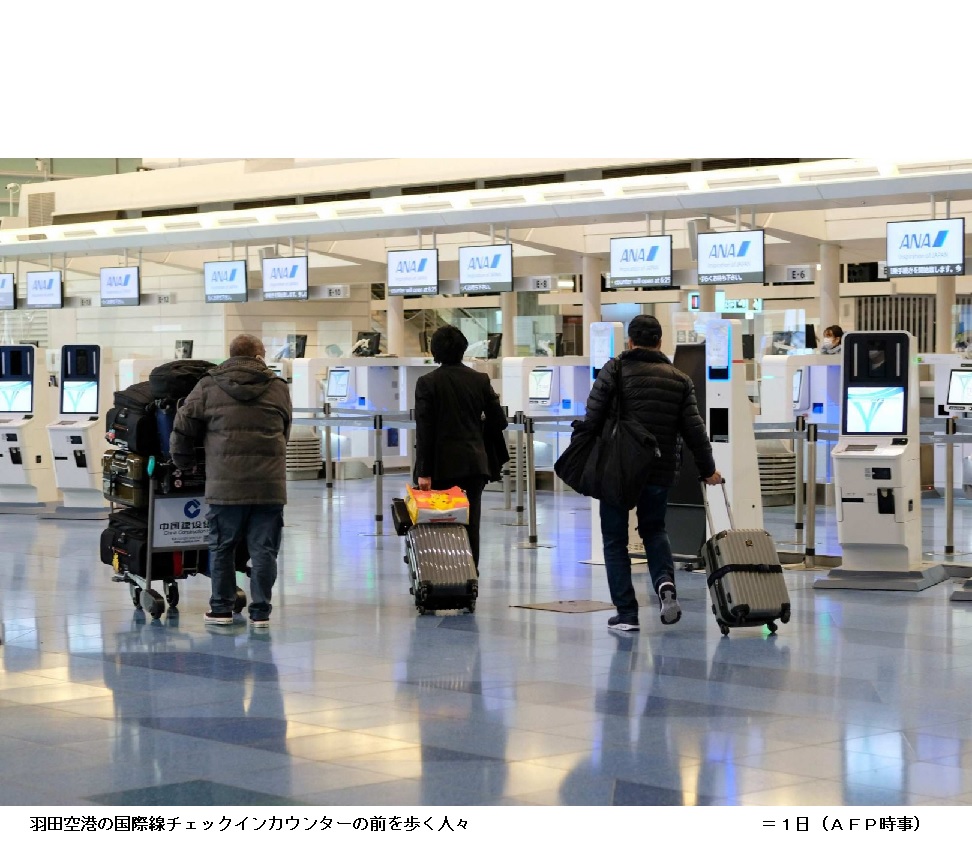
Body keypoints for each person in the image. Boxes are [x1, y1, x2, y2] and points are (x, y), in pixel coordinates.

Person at [583, 315, 722, 631]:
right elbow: (695, 431)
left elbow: (592, 418)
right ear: (660, 342)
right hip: (659, 469)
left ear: (630, 341)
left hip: (617, 469)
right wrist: (708, 469)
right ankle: (664, 583)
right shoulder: (679, 379)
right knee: (654, 530)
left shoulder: (613, 370)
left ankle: (627, 613)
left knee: (615, 540)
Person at [170, 333, 292, 628]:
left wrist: (184, 463)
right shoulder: (278, 386)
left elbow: (182, 426)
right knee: (264, 550)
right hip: (269, 485)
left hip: (225, 483)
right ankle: (261, 612)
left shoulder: (209, 385)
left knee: (222, 547)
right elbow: (285, 429)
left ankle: (221, 609)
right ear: (259, 355)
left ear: (231, 354)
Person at [414, 325, 508, 572]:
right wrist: (477, 431)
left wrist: (423, 471)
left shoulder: (427, 383)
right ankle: (470, 577)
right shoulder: (479, 380)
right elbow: (499, 421)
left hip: (440, 468)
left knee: (439, 524)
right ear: (463, 349)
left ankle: (443, 575)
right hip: (474, 465)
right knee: (470, 523)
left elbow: (425, 431)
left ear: (434, 351)